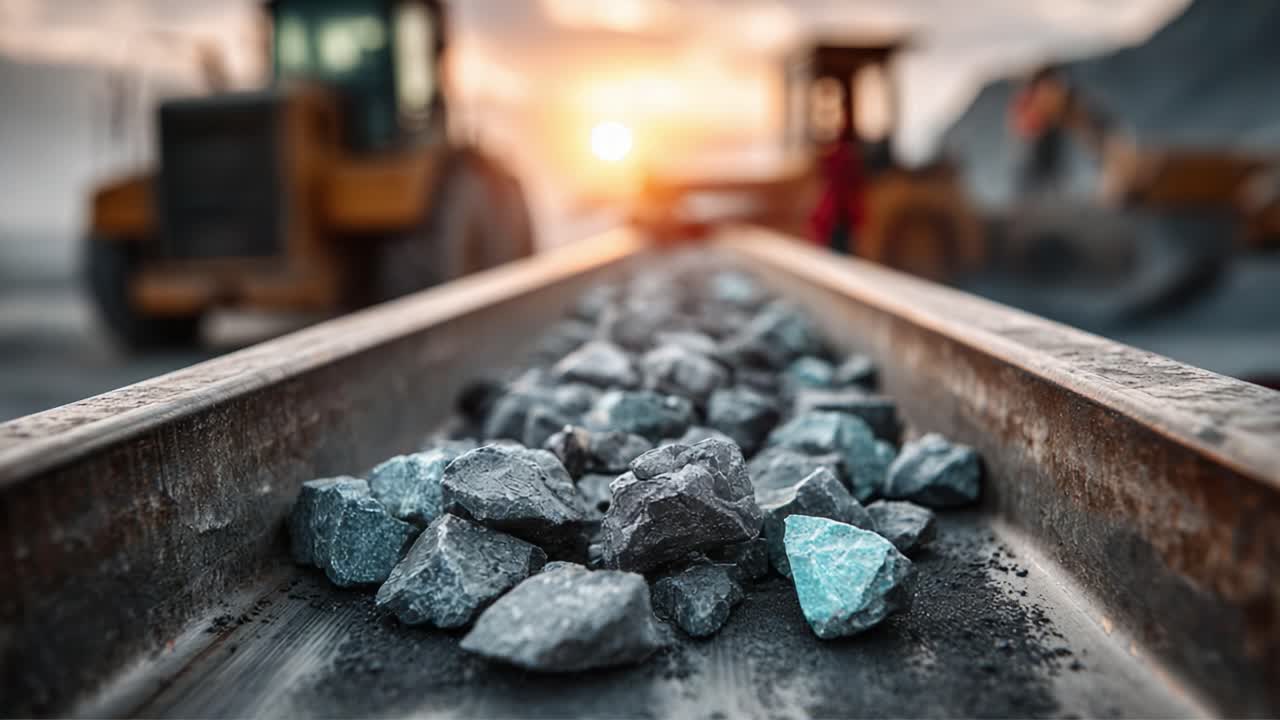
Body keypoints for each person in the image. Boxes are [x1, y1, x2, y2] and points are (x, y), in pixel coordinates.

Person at [810, 133, 865, 254]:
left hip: (841, 209)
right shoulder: (845, 157)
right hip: (838, 208)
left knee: (841, 244)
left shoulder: (842, 157)